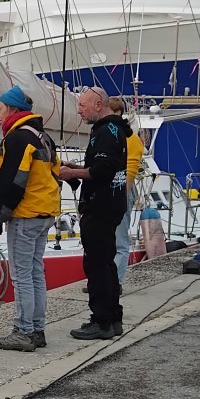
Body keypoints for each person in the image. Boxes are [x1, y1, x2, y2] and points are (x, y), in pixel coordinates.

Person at [0, 86, 61, 352]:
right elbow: (55, 173)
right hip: (45, 212)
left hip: (26, 214)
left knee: (21, 275)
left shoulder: (17, 139)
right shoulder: (43, 137)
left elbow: (11, 182)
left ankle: (23, 331)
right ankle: (37, 329)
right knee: (35, 272)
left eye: (0, 109)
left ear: (13, 110)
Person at [59, 87, 129, 340]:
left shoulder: (106, 132)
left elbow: (102, 171)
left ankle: (100, 321)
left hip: (100, 206)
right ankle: (113, 318)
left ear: (98, 105)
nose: (78, 110)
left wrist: (71, 174)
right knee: (107, 263)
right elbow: (102, 166)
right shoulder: (115, 129)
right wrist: (76, 168)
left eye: (82, 105)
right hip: (110, 203)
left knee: (97, 266)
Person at [108, 96, 144, 284]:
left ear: (118, 113)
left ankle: (116, 282)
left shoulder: (129, 138)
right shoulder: (109, 134)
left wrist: (122, 193)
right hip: (110, 190)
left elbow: (131, 167)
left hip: (121, 190)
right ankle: (105, 281)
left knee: (119, 241)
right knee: (108, 240)